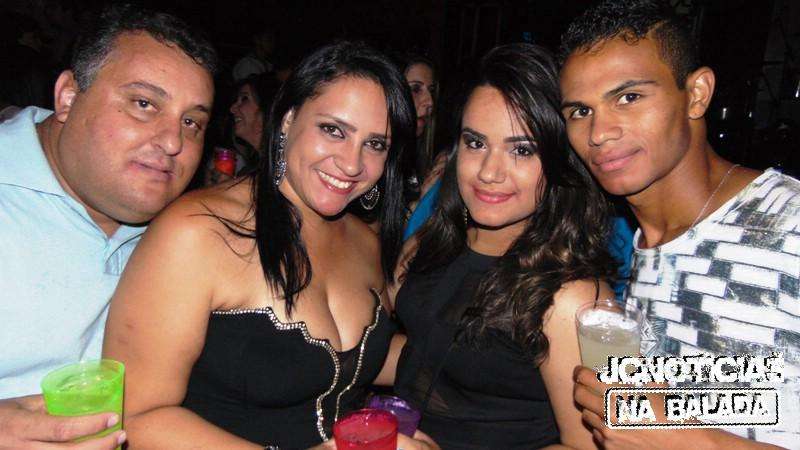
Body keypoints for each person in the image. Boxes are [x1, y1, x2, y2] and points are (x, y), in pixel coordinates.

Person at [103, 41, 436, 450]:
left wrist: (478, 357)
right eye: (333, 130)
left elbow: (354, 361)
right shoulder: (196, 232)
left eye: (375, 144)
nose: (352, 164)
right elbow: (137, 416)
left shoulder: (365, 241)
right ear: (288, 119)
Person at [559, 1, 800, 448]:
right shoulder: (620, 247)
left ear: (697, 94)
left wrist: (677, 438)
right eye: (580, 111)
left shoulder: (789, 225)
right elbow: (757, 399)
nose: (599, 132)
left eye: (628, 97)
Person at [0, 4, 216, 449]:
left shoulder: (185, 232)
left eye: (191, 122)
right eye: (144, 104)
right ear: (68, 97)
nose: (173, 142)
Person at [390, 43, 618, 449]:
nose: (489, 172)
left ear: (558, 159)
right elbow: (422, 353)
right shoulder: (430, 243)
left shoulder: (574, 299)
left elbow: (590, 445)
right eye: (476, 143)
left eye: (522, 150)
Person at [206, 73, 279, 185]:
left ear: (267, 108)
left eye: (244, 99)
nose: (232, 109)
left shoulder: (282, 167)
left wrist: (227, 189)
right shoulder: (250, 170)